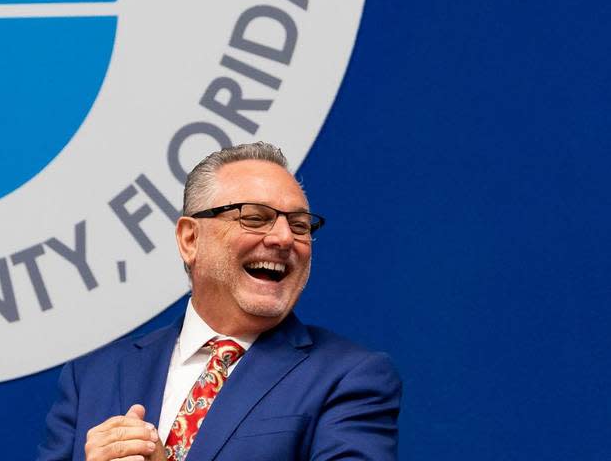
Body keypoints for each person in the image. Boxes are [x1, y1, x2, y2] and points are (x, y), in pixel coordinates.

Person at [37, 142, 401, 461]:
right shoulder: (92, 379)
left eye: (300, 225)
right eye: (255, 218)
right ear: (190, 240)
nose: (284, 238)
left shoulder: (349, 377)